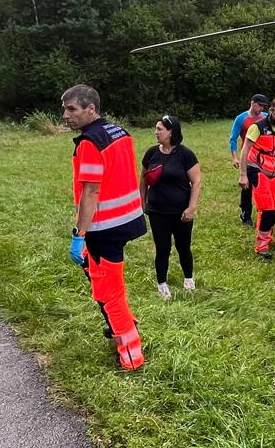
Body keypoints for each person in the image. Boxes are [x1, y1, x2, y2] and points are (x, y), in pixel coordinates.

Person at [63, 84, 147, 370]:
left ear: (91, 109)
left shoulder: (89, 143)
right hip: (129, 219)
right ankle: (120, 326)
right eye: (65, 109)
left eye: (72, 109)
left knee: (108, 291)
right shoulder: (120, 132)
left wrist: (80, 234)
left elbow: (90, 193)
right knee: (107, 279)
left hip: (105, 228)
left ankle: (131, 354)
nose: (65, 115)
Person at [141, 114, 201, 299]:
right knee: (162, 248)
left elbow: (196, 182)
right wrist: (142, 202)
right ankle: (162, 284)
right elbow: (143, 179)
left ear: (171, 132)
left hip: (181, 212)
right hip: (157, 211)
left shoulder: (185, 155)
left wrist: (191, 208)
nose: (156, 132)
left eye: (159, 129)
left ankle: (188, 279)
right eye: (156, 128)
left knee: (183, 247)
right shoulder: (152, 153)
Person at [238, 97, 275, 259]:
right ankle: (261, 246)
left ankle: (267, 235)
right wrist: (243, 175)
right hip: (257, 170)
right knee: (267, 209)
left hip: (273, 173)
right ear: (271, 112)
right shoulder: (257, 127)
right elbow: (245, 150)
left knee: (273, 208)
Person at [228, 94, 268, 225]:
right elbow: (233, 139)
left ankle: (266, 214)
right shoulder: (241, 118)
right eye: (260, 105)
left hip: (264, 158)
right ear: (253, 103)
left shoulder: (266, 117)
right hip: (249, 157)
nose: (261, 108)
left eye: (263, 106)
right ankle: (246, 214)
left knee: (264, 186)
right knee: (247, 186)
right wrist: (234, 158)